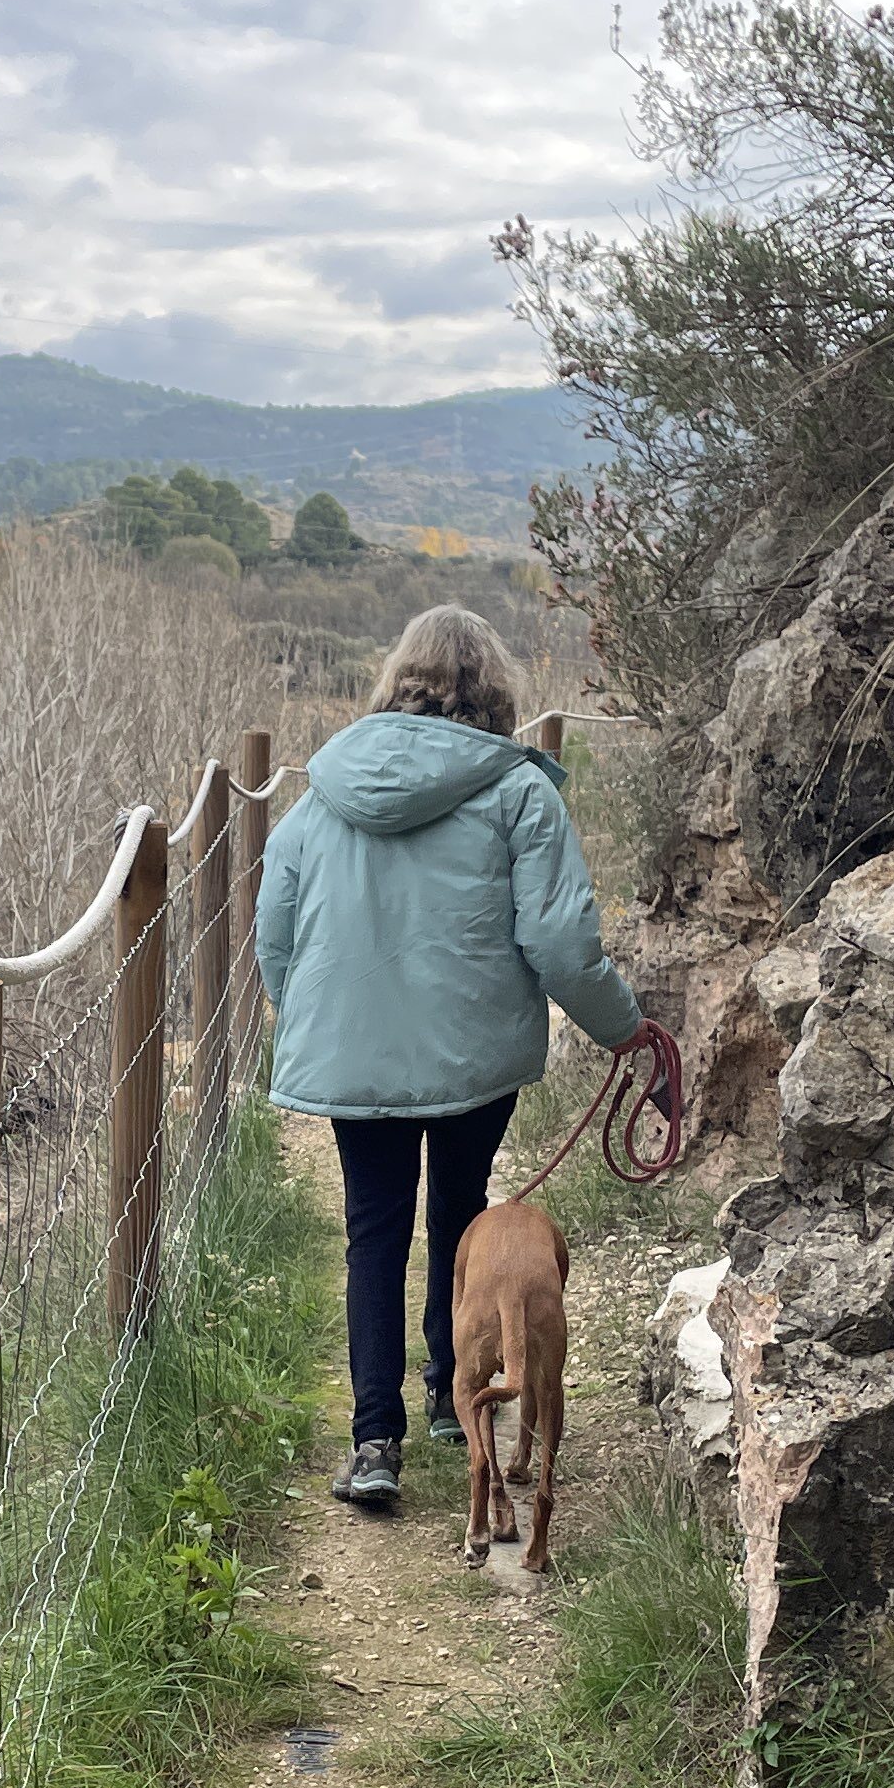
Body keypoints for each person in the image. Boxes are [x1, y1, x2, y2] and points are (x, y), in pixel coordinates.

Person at [254, 606, 642, 1512]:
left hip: (356, 1054)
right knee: (463, 1215)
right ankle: (451, 1393)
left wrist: (318, 1019)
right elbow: (560, 943)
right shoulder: (517, 793)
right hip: (476, 1056)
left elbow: (276, 935)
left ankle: (374, 1438)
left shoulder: (322, 794)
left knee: (373, 1232)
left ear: (398, 680)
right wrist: (625, 1030)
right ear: (497, 693)